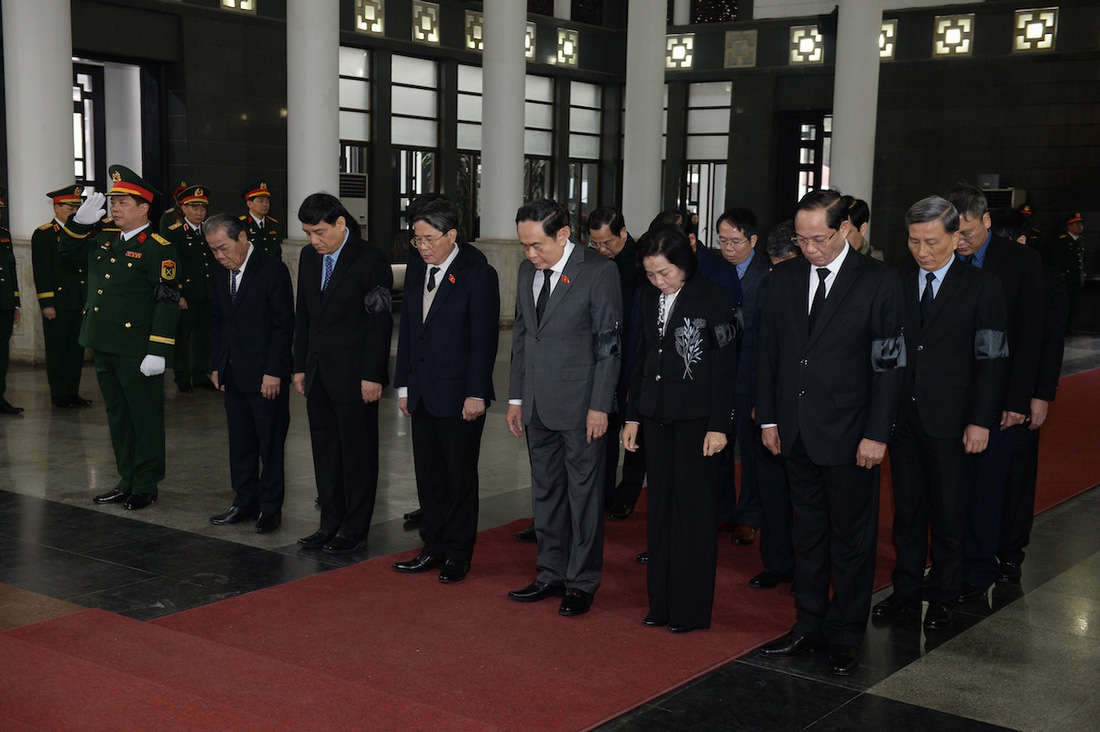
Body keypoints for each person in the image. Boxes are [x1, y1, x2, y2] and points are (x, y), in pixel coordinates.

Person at [755, 189, 905, 676]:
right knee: (808, 533)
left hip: (851, 434)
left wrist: (877, 432)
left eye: (818, 239)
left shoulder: (879, 281)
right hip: (795, 431)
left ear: (844, 231)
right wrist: (771, 419)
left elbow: (889, 364)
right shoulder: (783, 278)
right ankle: (809, 624)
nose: (810, 249)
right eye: (801, 240)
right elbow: (770, 354)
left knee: (852, 540)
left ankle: (845, 634)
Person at [872, 196, 1008, 632]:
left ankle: (945, 595)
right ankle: (906, 593)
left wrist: (980, 419)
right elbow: (886, 349)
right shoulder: (897, 281)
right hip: (904, 419)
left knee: (950, 513)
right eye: (914, 242)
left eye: (931, 241)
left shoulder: (981, 286)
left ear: (956, 236)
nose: (922, 251)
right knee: (908, 513)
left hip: (954, 422)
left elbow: (992, 357)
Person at [505, 198, 622, 617]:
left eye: (538, 245)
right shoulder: (525, 272)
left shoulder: (599, 271)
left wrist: (599, 406)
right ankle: (550, 571)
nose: (530, 254)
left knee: (584, 496)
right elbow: (522, 337)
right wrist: (517, 398)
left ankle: (582, 581)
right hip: (536, 404)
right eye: (523, 245)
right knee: (546, 493)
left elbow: (609, 345)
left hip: (581, 406)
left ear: (564, 235)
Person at [621, 225, 736, 633]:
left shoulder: (714, 298)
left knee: (694, 515)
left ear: (684, 264)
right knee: (661, 513)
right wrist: (633, 415)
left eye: (665, 272)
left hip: (699, 423)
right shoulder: (649, 295)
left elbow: (726, 369)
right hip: (656, 416)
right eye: (651, 274)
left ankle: (689, 609)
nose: (658, 281)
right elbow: (641, 357)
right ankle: (661, 602)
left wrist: (720, 424)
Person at [58, 165, 182, 509]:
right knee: (119, 417)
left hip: (137, 350)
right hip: (104, 344)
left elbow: (167, 302)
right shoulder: (103, 239)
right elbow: (66, 256)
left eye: (123, 201)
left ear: (144, 208)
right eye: (113, 201)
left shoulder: (159, 249)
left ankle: (145, 483)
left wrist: (158, 349)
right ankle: (126, 478)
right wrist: (79, 224)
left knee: (144, 418)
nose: (115, 207)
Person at [391, 197, 500, 583]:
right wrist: (403, 385)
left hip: (459, 396)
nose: (421, 246)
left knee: (459, 478)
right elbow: (408, 331)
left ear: (451, 235)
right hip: (421, 392)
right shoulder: (419, 268)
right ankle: (432, 546)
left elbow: (484, 342)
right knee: (429, 477)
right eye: (416, 239)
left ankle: (457, 553)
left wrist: (475, 393)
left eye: (429, 239)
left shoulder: (477, 273)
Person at [944, 183, 1042, 604]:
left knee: (986, 487)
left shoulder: (1021, 262)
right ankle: (948, 565)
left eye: (966, 231)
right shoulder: (940, 259)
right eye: (954, 232)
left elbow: (1030, 336)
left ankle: (979, 567)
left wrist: (1020, 400)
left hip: (999, 396)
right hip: (949, 395)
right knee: (948, 490)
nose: (959, 240)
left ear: (986, 220)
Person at [293, 192, 393, 554]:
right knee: (325, 452)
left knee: (358, 454)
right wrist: (299, 365)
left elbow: (380, 324)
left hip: (355, 377)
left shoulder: (370, 260)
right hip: (318, 373)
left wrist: (373, 375)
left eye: (319, 232)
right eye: (307, 233)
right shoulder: (307, 257)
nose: (313, 241)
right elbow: (304, 314)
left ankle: (354, 527)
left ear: (340, 223)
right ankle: (329, 523)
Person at [715, 208, 794, 589]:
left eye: (735, 241)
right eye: (722, 241)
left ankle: (751, 515)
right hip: (733, 377)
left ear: (752, 241)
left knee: (757, 454)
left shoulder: (769, 274)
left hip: (763, 383)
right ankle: (729, 511)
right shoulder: (718, 272)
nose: (728, 249)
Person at [991, 209, 1068, 583]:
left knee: (1017, 474)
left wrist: (1040, 395)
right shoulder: (976, 273)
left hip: (1021, 393)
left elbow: (1050, 343)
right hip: (982, 394)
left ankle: (1010, 551)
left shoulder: (1047, 279)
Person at [205, 213, 294, 534]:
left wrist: (274, 372)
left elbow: (284, 326)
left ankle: (270, 507)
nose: (219, 255)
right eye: (213, 250)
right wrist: (217, 364)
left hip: (265, 375)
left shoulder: (272, 270)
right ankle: (244, 500)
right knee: (240, 441)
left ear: (242, 237)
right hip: (233, 370)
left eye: (223, 248)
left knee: (269, 442)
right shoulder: (219, 270)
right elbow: (218, 320)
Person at [586, 206, 646, 521]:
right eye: (595, 244)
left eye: (607, 242)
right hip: (602, 358)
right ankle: (603, 494)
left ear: (623, 233)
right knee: (602, 432)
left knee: (634, 432)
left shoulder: (641, 263)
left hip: (634, 360)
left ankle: (628, 491)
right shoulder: (593, 262)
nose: (602, 249)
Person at [32, 186, 91, 408]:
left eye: (78, 206)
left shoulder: (83, 233)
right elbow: (42, 271)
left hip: (79, 301)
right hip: (57, 303)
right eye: (70, 206)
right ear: (56, 207)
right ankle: (58, 394)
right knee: (58, 350)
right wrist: (47, 303)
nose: (75, 211)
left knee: (76, 351)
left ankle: (72, 392)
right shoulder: (45, 234)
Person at [165, 185, 214, 392]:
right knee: (183, 338)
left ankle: (201, 374)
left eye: (202, 208)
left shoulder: (210, 231)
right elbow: (171, 266)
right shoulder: (175, 233)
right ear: (183, 209)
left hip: (207, 293)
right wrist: (178, 294)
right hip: (187, 295)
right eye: (193, 208)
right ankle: (182, 377)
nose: (198, 212)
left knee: (204, 337)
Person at [0, 186, 22, 415]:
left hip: (4, 304)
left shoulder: (4, 234)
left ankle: (0, 397)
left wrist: (15, 302)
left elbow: (11, 269)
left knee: (2, 354)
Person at [1052, 212, 1085, 331]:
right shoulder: (1062, 241)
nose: (1080, 226)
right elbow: (1058, 260)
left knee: (1074, 305)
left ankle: (1071, 328)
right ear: (1069, 226)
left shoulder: (1080, 240)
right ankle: (1063, 328)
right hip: (1066, 279)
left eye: (1080, 224)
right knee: (1063, 305)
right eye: (1076, 224)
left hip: (1076, 279)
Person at [239, 181, 283, 260]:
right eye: (260, 201)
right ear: (249, 204)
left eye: (267, 201)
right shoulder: (242, 224)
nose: (265, 204)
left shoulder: (273, 224)